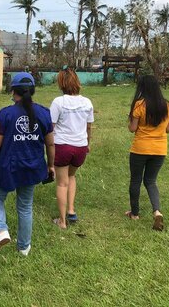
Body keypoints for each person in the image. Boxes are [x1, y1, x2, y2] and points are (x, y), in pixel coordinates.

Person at [0, 72, 55, 256]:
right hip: (32, 167)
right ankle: (24, 247)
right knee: (25, 205)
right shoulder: (44, 113)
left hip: (7, 167)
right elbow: (51, 143)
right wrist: (50, 165)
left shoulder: (5, 114)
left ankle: (2, 230)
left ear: (13, 91)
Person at [126, 75, 169, 231]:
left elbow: (133, 128)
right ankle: (157, 211)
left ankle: (134, 214)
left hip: (140, 149)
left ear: (142, 87)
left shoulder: (139, 104)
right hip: (160, 150)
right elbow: (168, 129)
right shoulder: (168, 105)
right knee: (151, 181)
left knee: (136, 180)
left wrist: (130, 121)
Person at [50, 68, 94, 229]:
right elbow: (89, 127)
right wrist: (88, 144)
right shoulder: (87, 102)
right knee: (72, 176)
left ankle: (62, 221)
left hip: (62, 146)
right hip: (81, 147)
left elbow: (51, 127)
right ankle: (71, 210)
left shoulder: (58, 102)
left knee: (62, 183)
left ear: (61, 83)